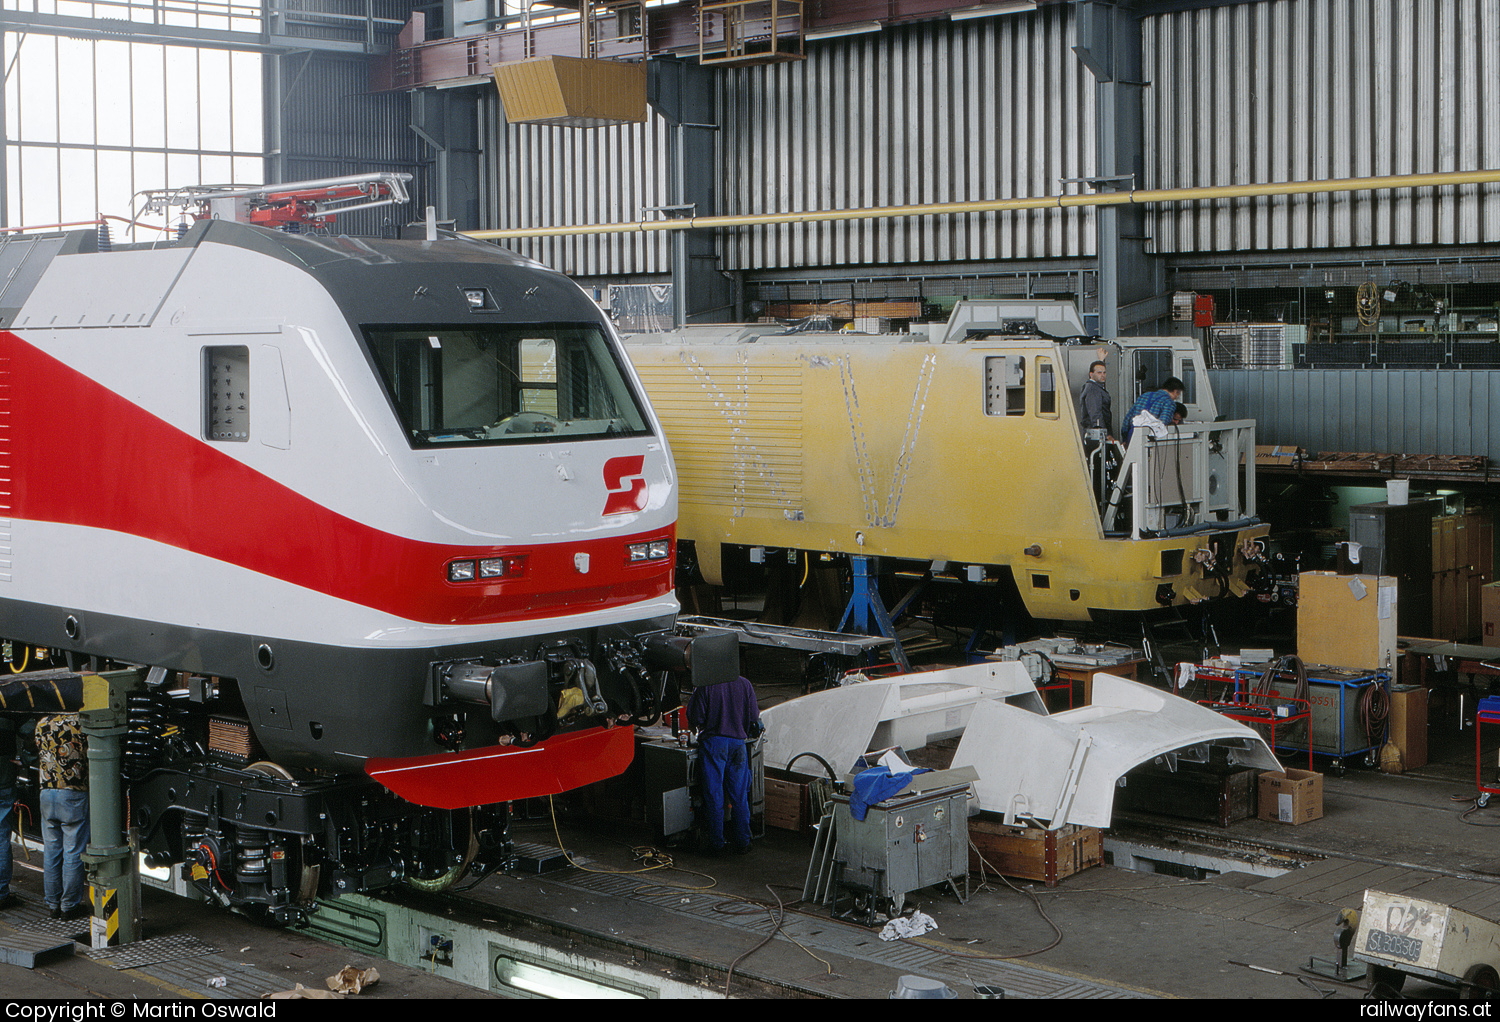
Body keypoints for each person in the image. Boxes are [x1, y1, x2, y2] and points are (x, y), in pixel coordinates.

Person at [687, 675, 761, 856]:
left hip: (714, 744)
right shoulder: (745, 683)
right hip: (738, 745)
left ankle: (717, 844)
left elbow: (696, 716)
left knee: (714, 795)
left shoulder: (706, 683)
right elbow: (754, 717)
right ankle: (743, 842)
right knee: (739, 794)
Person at [35, 713, 89, 921]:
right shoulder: (80, 722)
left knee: (51, 851)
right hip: (73, 792)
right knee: (73, 851)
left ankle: (52, 904)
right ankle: (69, 906)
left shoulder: (41, 723)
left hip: (47, 791)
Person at [1120, 377, 1186, 446]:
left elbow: (1127, 420)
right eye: (1179, 394)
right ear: (1176, 391)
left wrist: (1125, 439)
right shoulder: (1169, 403)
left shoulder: (1144, 396)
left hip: (1133, 434)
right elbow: (1162, 424)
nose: (1177, 397)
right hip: (1149, 441)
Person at [0, 715, 16, 911]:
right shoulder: (8, 708)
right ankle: (1, 893)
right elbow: (30, 734)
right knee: (2, 837)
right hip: (4, 782)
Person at [1077, 360, 1113, 438]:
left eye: (1104, 372)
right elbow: (1095, 413)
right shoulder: (1093, 388)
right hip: (1096, 434)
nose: (1103, 375)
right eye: (1099, 373)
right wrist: (1102, 433)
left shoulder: (1094, 387)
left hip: (1095, 432)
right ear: (1091, 374)